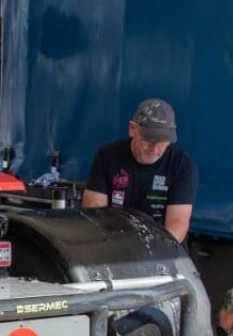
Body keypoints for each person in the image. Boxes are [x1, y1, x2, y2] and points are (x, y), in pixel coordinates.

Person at [83, 98, 197, 243]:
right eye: (148, 140)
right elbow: (94, 211)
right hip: (114, 241)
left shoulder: (182, 164)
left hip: (161, 246)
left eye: (162, 142)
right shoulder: (107, 156)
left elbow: (177, 223)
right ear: (132, 129)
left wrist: (155, 251)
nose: (155, 149)